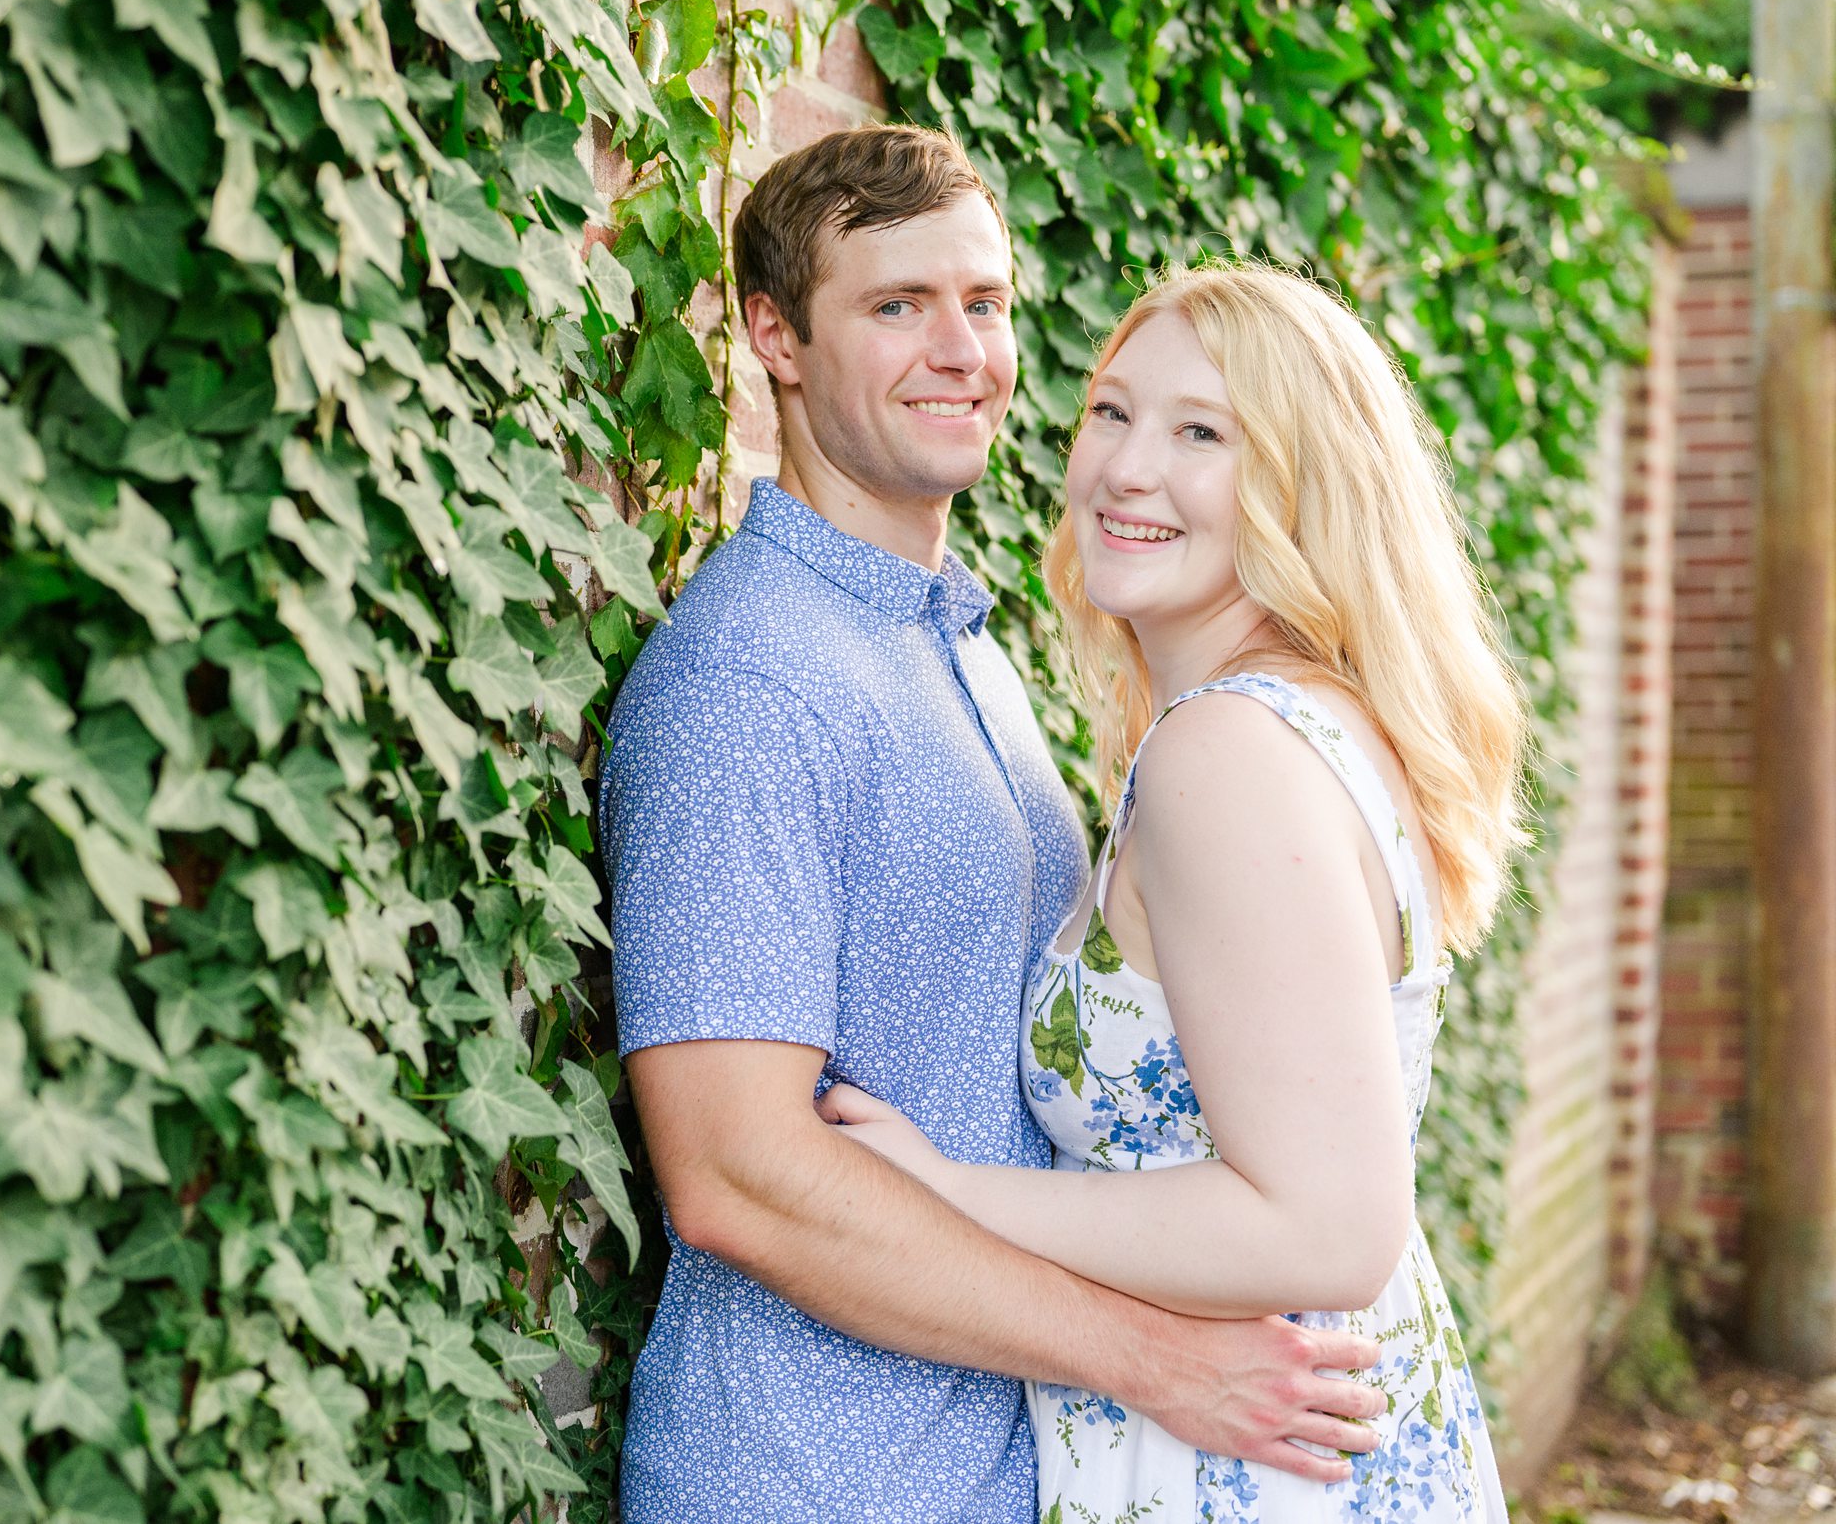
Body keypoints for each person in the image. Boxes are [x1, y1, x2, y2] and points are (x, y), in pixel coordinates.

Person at [598, 127, 1388, 1523]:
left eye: (986, 301)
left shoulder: (960, 646)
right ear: (774, 337)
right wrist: (1155, 1361)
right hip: (812, 1479)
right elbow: (737, 1179)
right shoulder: (748, 683)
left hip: (992, 1470)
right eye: (897, 305)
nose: (961, 347)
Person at [818, 259, 1519, 1521]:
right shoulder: (1306, 723)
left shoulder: (1229, 759)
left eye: (1202, 433)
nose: (1127, 468)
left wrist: (948, 1194)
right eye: (1111, 412)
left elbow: (1327, 1230)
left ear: (1305, 487)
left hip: (1250, 1459)